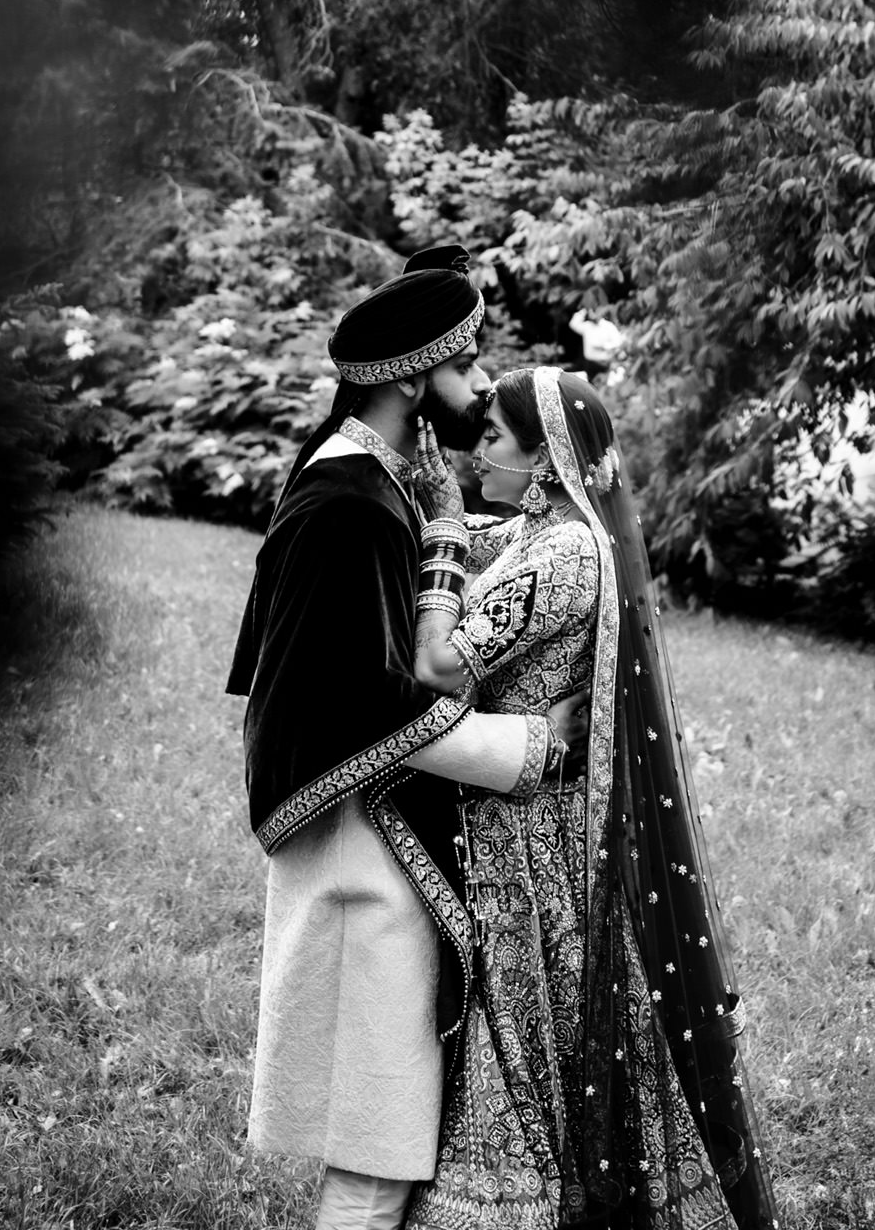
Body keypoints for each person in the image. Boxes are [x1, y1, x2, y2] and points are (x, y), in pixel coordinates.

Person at [228, 260, 590, 1230]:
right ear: (406, 381)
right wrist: (529, 749)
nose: (480, 391)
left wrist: (444, 536)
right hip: (358, 844)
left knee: (386, 1145)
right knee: (377, 1154)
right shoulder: (342, 503)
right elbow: (363, 699)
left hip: (376, 836)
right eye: (467, 368)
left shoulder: (373, 485)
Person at [407, 365, 777, 1230]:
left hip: (534, 839)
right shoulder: (546, 533)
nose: (477, 450)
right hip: (517, 816)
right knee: (544, 1028)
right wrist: (449, 526)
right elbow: (479, 555)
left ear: (545, 459)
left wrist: (447, 536)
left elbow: (436, 662)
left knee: (534, 1029)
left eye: (493, 436)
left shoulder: (568, 551)